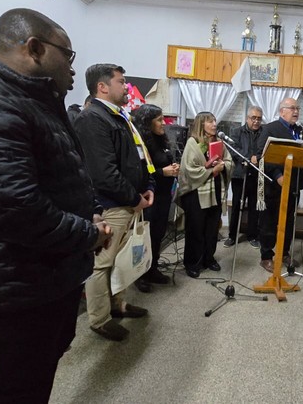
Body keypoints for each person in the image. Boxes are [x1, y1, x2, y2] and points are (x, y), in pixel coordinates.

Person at [0, 8, 112, 403]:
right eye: (68, 56)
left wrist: (89, 210)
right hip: (21, 276)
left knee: (37, 369)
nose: (73, 70)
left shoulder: (34, 103)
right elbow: (16, 209)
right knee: (19, 384)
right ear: (34, 48)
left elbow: (64, 177)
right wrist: (89, 234)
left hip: (50, 270)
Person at [73, 64, 154, 342]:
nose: (126, 86)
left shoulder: (119, 116)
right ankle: (99, 318)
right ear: (102, 87)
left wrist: (148, 187)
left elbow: (139, 158)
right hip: (110, 204)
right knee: (102, 264)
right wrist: (134, 198)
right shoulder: (92, 118)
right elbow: (103, 173)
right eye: (121, 82)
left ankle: (118, 304)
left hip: (129, 201)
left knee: (122, 260)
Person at [256, 97, 303, 272]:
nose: (296, 111)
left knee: (288, 221)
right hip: (274, 185)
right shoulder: (270, 129)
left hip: (292, 186)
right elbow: (261, 155)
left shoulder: (301, 132)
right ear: (282, 111)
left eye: (298, 108)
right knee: (269, 222)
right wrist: (277, 175)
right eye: (292, 108)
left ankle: (284, 252)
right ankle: (266, 256)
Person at [176, 112, 232, 277]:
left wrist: (223, 165)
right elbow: (188, 169)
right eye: (210, 121)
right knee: (196, 229)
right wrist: (211, 170)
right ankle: (193, 262)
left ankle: (209, 258)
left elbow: (229, 161)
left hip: (215, 190)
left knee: (212, 228)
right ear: (201, 124)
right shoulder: (192, 143)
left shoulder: (219, 142)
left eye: (215, 121)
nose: (214, 124)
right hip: (196, 194)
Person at [131, 104, 177, 291]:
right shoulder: (140, 142)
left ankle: (153, 268)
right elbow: (143, 171)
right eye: (159, 119)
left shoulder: (161, 139)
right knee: (145, 237)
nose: (163, 123)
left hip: (164, 195)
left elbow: (164, 161)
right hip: (149, 196)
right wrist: (162, 172)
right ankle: (139, 275)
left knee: (158, 234)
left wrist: (172, 168)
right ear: (147, 122)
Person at [223, 105, 264, 249]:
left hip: (257, 176)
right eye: (253, 118)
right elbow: (233, 149)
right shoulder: (236, 132)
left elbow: (265, 150)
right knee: (236, 206)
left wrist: (257, 158)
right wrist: (247, 158)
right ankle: (232, 236)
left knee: (254, 208)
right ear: (247, 118)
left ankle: (252, 235)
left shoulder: (264, 133)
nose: (256, 121)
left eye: (259, 118)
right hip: (240, 176)